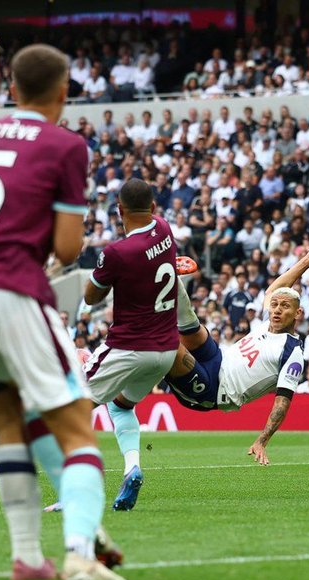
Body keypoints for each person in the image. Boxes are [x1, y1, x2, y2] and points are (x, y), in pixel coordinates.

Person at [0, 43, 133, 580]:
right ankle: (79, 554)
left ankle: (28, 556)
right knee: (77, 430)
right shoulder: (65, 145)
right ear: (64, 94)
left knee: (11, 425)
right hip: (11, 293)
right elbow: (68, 249)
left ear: (10, 90)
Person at [163, 247, 309, 465]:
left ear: (298, 314)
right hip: (217, 359)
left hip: (214, 390)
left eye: (285, 306)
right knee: (192, 326)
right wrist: (306, 261)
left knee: (168, 344)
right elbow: (274, 290)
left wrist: (263, 440)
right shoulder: (266, 322)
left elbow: (282, 402)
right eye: (275, 305)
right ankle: (168, 276)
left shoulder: (292, 353)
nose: (277, 310)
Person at [83, 179, 179, 511]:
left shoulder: (117, 253)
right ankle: (132, 468)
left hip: (129, 348)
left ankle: (76, 491)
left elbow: (90, 295)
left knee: (69, 407)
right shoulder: (165, 230)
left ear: (119, 210)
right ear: (153, 208)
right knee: (120, 406)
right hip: (165, 351)